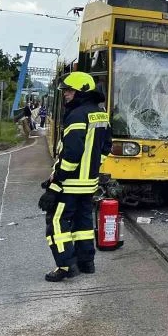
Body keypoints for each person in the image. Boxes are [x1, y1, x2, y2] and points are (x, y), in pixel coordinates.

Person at [38, 72, 112, 282]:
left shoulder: (77, 115)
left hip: (70, 184)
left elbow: (71, 154)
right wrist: (94, 166)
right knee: (83, 223)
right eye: (66, 91)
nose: (66, 95)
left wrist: (55, 183)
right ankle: (86, 263)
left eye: (70, 90)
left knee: (57, 223)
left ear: (82, 92)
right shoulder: (101, 115)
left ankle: (65, 266)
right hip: (88, 184)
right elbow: (106, 146)